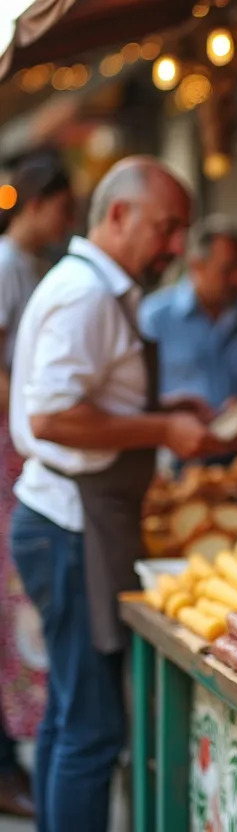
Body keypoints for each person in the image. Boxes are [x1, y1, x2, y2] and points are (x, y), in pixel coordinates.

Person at [9, 156, 236, 831]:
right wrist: (162, 426)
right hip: (72, 527)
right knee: (93, 730)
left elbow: (83, 401)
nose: (174, 246)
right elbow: (50, 416)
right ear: (117, 215)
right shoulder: (85, 295)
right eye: (166, 228)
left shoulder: (97, 287)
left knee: (71, 715)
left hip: (71, 522)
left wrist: (162, 407)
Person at [0, 155, 74, 818]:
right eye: (63, 206)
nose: (67, 221)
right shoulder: (6, 266)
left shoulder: (30, 268)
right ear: (40, 201)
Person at [140, 215, 237, 464]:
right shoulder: (155, 318)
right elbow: (137, 402)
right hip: (180, 462)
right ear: (197, 267)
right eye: (227, 270)